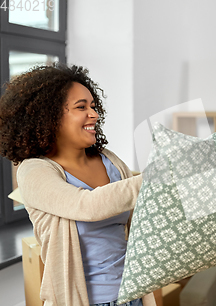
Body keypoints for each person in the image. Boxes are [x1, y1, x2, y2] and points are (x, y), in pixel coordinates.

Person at [0, 64, 156, 306]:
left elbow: (143, 223)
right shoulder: (34, 171)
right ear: (49, 116)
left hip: (133, 296)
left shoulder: (109, 160)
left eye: (93, 106)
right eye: (81, 107)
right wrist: (159, 176)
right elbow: (88, 206)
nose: (93, 114)